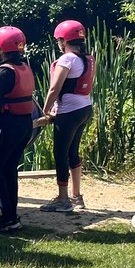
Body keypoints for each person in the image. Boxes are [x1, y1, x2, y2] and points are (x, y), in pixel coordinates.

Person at [0, 26, 36, 232]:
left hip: (8, 126)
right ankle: (12, 214)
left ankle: (8, 216)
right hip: (25, 125)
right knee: (9, 169)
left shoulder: (3, 73)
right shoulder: (25, 67)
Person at [40, 20, 95, 213]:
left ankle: (63, 199)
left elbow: (55, 88)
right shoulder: (87, 58)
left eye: (58, 40)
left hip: (69, 112)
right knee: (73, 151)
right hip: (85, 109)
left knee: (60, 153)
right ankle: (76, 196)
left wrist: (45, 110)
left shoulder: (66, 59)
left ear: (64, 41)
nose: (58, 44)